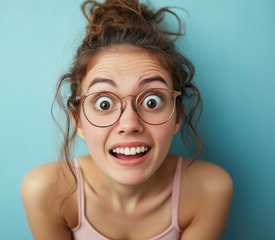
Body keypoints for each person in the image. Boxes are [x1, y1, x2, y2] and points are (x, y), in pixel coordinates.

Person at [21, 0, 233, 239]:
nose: (129, 124)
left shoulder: (209, 190)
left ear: (177, 116)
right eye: (104, 104)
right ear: (78, 120)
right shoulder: (46, 191)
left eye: (152, 101)